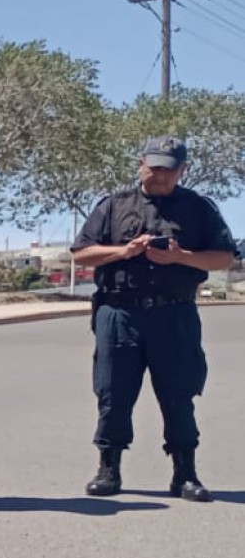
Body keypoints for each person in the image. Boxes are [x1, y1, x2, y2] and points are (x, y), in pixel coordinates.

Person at [72, 137, 239, 501]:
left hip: (174, 312)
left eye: (169, 168)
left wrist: (180, 258)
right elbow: (82, 253)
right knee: (113, 393)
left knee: (179, 393)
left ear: (183, 170)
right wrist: (123, 251)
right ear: (141, 164)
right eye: (155, 167)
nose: (161, 175)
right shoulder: (114, 206)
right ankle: (108, 468)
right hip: (119, 312)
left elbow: (224, 258)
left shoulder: (198, 208)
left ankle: (185, 474)